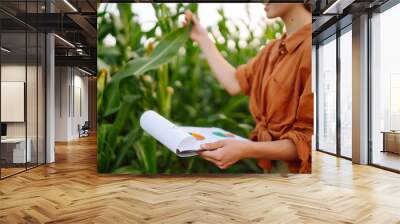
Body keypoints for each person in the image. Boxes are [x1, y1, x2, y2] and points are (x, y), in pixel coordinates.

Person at [184, 1, 313, 173]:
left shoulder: (318, 47)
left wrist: (245, 149)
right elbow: (235, 83)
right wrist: (202, 37)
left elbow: (310, 142)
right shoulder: (271, 50)